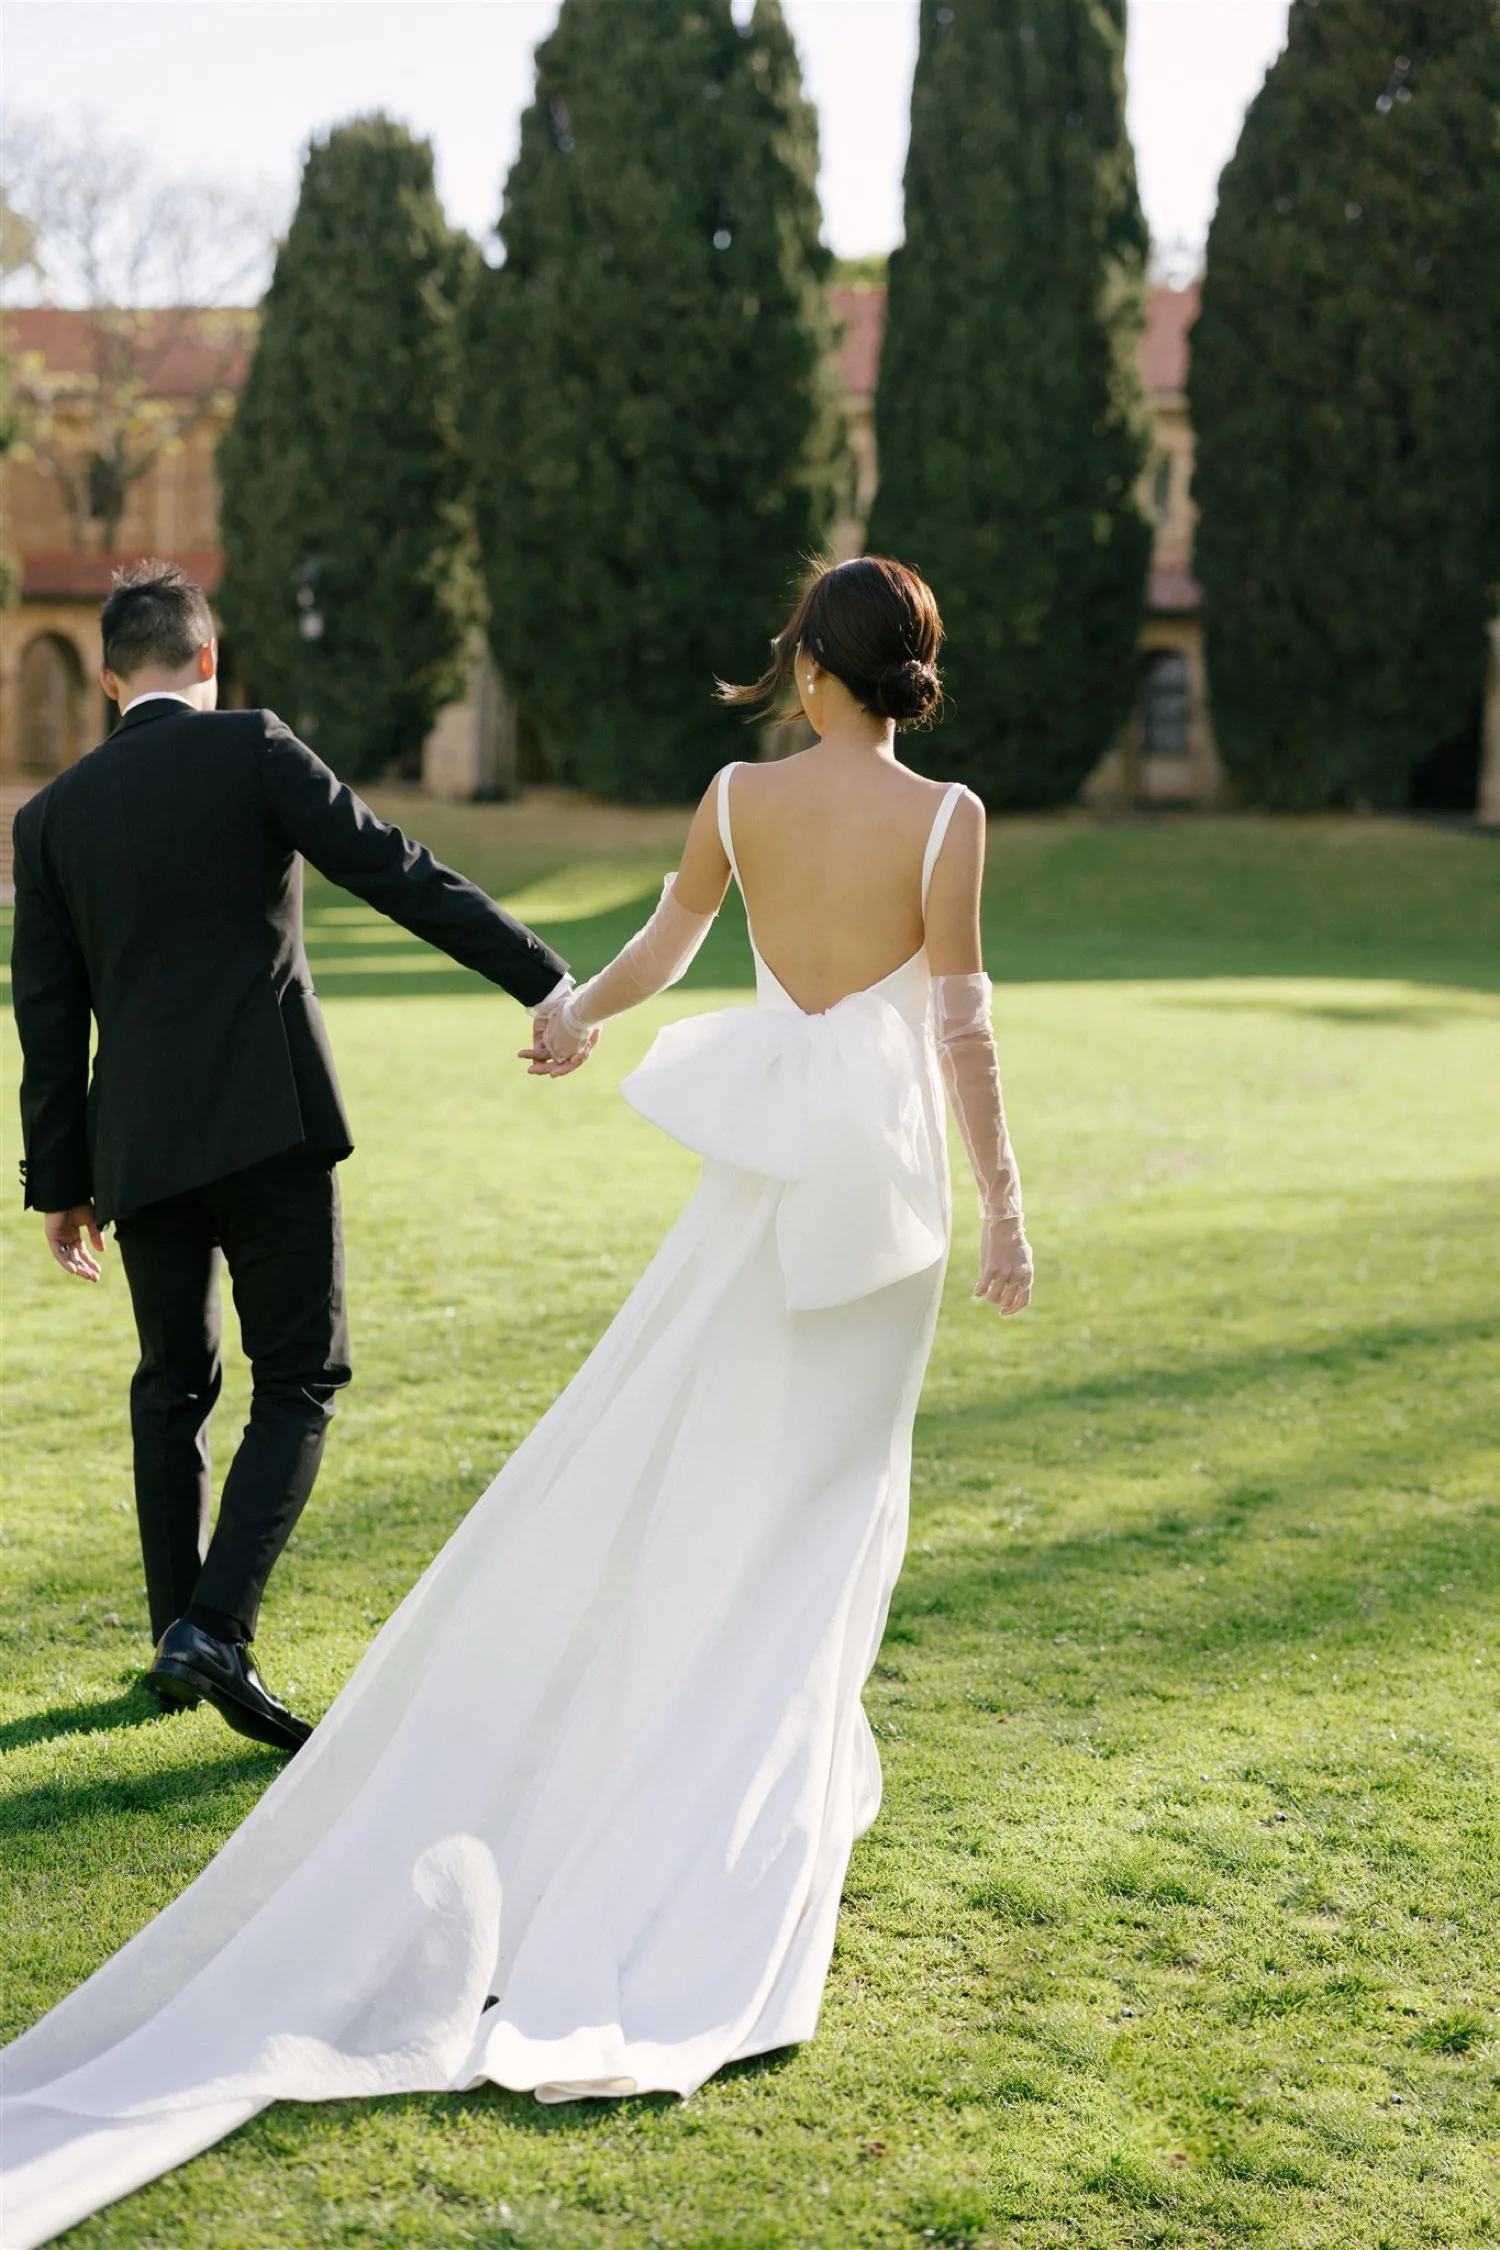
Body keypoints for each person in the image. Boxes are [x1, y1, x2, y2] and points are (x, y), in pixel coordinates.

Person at [0, 556, 1032, 2249]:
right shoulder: (953, 820)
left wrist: (569, 1014)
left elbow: (660, 942)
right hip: (874, 1199)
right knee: (804, 1508)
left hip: (716, 1180)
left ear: (801, 662)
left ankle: (210, 1624)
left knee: (211, 1387)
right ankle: (727, 1810)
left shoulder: (735, 794)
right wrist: (1004, 1208)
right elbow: (962, 1031)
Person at [8, 561, 582, 1758]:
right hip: (271, 1125)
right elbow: (393, 868)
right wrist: (542, 974)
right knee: (300, 1380)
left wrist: (58, 1181)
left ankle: (178, 1636)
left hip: (141, 1148)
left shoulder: (49, 817)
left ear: (111, 677)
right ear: (209, 663)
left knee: (172, 1386)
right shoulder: (254, 746)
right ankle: (212, 1626)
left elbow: (47, 1019)